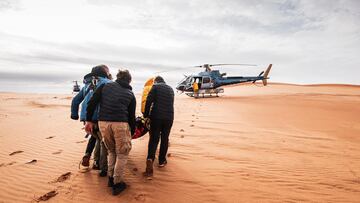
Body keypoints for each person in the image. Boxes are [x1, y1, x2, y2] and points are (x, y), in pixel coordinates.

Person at [85, 69, 136, 196]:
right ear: (129, 80)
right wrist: (132, 131)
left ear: (117, 77)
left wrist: (89, 120)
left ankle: (110, 178)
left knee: (111, 151)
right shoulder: (130, 93)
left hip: (103, 123)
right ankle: (117, 183)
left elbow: (92, 103)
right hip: (120, 124)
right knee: (122, 154)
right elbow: (131, 117)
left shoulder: (105, 86)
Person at [71, 65, 112, 174]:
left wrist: (74, 115)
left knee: (96, 138)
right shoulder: (107, 83)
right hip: (100, 116)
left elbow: (75, 100)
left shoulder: (86, 85)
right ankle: (102, 167)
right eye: (107, 71)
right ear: (104, 72)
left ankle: (89, 156)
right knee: (104, 142)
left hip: (87, 117)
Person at [143, 76, 174, 177]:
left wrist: (146, 115)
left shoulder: (155, 87)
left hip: (156, 116)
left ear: (156, 81)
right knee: (165, 138)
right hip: (169, 117)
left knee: (154, 139)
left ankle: (150, 158)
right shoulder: (170, 89)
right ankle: (161, 161)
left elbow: (148, 101)